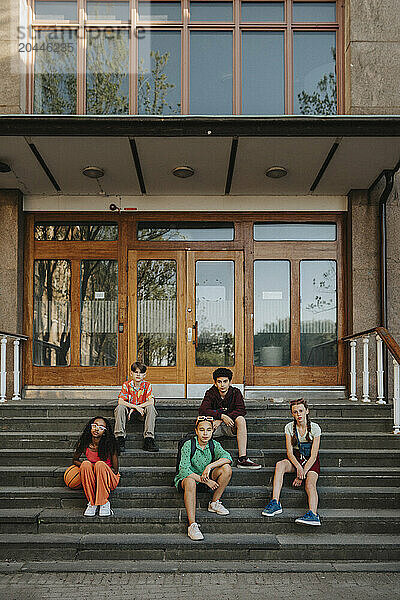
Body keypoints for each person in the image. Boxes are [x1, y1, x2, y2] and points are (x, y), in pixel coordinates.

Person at [262, 398, 322, 526]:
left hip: (311, 463)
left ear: (307, 411)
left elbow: (313, 456)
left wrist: (302, 474)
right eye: (295, 412)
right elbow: (289, 453)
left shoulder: (315, 428)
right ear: (292, 414)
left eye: (301, 411)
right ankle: (275, 502)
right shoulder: (289, 427)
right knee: (280, 464)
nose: (298, 414)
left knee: (310, 484)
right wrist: (298, 468)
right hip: (295, 459)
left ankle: (313, 514)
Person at [175, 416, 233, 541]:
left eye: (209, 430)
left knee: (226, 468)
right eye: (202, 430)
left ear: (212, 431)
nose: (205, 433)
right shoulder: (188, 444)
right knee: (190, 482)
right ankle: (192, 525)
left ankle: (214, 502)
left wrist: (209, 466)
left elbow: (228, 457)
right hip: (189, 478)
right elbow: (184, 470)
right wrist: (205, 481)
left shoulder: (214, 444)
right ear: (196, 431)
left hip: (207, 477)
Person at [198, 367, 261, 469]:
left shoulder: (235, 392)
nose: (222, 385)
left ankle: (242, 459)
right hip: (215, 428)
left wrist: (224, 418)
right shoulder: (211, 392)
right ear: (215, 383)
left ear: (230, 382)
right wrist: (221, 416)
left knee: (240, 419)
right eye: (219, 381)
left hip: (231, 427)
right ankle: (204, 456)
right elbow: (203, 410)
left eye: (225, 381)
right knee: (203, 420)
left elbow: (241, 410)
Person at [66, 416, 120, 516]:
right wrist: (88, 468)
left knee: (99, 464)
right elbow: (75, 460)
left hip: (109, 479)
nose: (96, 429)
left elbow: (115, 470)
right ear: (90, 427)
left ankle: (104, 502)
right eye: (94, 425)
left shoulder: (110, 444)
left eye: (101, 427)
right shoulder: (85, 443)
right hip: (93, 478)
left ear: (105, 432)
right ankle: (92, 502)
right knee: (86, 464)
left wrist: (99, 470)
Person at [114, 362, 159, 452]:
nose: (138, 375)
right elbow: (120, 401)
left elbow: (151, 401)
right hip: (127, 415)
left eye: (141, 373)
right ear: (131, 373)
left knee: (151, 408)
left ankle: (148, 439)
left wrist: (137, 407)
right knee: (120, 407)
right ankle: (120, 438)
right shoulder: (126, 385)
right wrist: (135, 407)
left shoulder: (147, 385)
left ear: (144, 375)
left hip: (142, 414)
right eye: (136, 372)